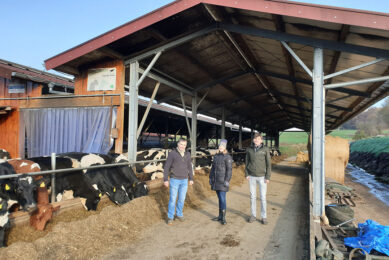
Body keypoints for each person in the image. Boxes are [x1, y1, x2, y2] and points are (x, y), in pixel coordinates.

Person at [163, 138, 194, 225]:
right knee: (173, 199)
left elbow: (190, 167)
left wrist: (191, 178)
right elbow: (166, 167)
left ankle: (179, 214)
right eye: (181, 144)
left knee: (181, 199)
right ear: (178, 144)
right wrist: (165, 179)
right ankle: (170, 217)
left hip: (184, 180)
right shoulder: (172, 154)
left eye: (184, 145)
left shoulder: (187, 154)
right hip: (174, 179)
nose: (182, 146)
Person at [245, 133, 271, 225]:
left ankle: (264, 217)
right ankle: (253, 215)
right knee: (252, 197)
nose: (256, 140)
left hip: (262, 177)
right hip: (251, 176)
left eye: (258, 139)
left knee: (263, 197)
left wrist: (267, 176)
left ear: (261, 140)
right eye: (255, 139)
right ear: (253, 140)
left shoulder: (265, 149)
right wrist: (246, 174)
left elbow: (268, 164)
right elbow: (246, 162)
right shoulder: (249, 149)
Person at [209, 139, 232, 225]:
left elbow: (229, 170)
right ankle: (219, 216)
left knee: (222, 198)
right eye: (220, 146)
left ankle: (223, 218)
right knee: (219, 198)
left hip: (222, 181)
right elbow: (212, 168)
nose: (221, 147)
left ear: (225, 147)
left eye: (222, 146)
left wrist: (227, 180)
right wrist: (210, 178)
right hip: (216, 180)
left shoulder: (228, 157)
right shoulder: (216, 156)